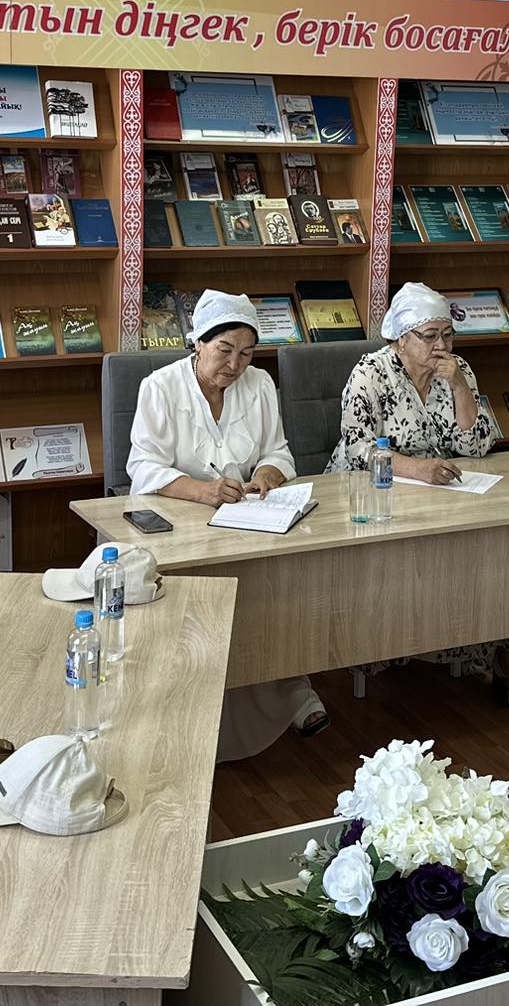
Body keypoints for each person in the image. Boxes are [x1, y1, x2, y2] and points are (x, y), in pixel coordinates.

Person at [126, 290, 326, 757]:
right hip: (182, 524)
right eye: (224, 350)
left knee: (278, 587)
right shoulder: (160, 387)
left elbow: (278, 451)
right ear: (197, 342)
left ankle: (290, 692)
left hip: (249, 518)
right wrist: (202, 491)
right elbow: (143, 468)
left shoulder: (259, 385)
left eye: (247, 353)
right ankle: (189, 718)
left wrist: (266, 475)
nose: (235, 365)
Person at [329, 282, 509, 716]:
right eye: (430, 336)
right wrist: (418, 468)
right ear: (401, 338)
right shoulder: (371, 372)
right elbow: (358, 448)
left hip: (443, 493)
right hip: (375, 494)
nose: (441, 346)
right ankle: (399, 644)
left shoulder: (458, 370)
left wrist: (460, 386)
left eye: (447, 334)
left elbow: (477, 446)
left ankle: (504, 658)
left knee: (498, 549)